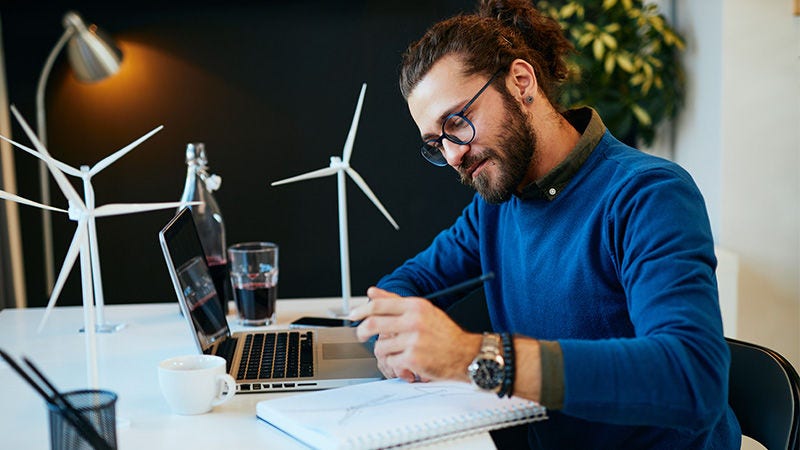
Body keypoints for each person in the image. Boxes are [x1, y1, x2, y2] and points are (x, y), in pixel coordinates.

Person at [347, 0, 741, 448]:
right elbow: (409, 281)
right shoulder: (497, 205)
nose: (453, 154)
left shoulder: (648, 195)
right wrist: (396, 334)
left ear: (521, 82)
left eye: (458, 122)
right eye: (437, 142)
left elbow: (693, 378)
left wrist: (472, 356)